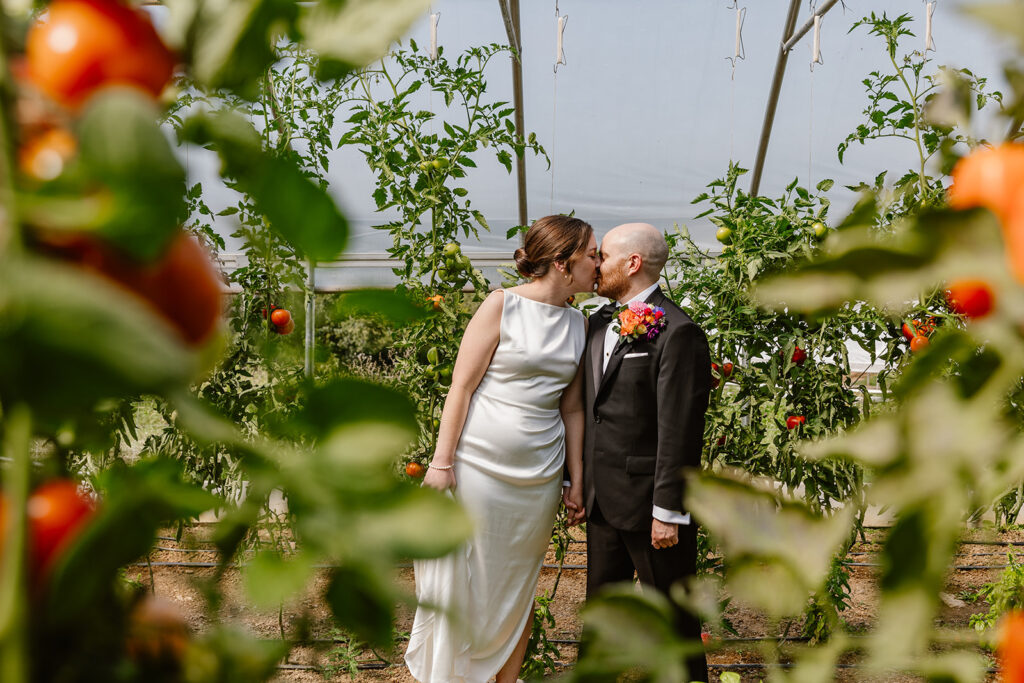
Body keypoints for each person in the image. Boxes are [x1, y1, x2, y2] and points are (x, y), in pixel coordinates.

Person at [405, 215, 599, 683]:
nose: (599, 263)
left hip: (540, 474)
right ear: (562, 262)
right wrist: (441, 463)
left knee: (518, 586)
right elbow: (462, 387)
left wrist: (575, 478)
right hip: (481, 467)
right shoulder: (500, 306)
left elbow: (572, 410)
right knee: (471, 579)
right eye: (592, 254)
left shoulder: (580, 323)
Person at [581, 222, 712, 682]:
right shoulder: (596, 323)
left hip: (653, 509)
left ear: (632, 263)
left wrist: (667, 510)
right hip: (602, 502)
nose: (596, 265)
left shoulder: (678, 331)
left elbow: (679, 429)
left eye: (604, 256)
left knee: (675, 624)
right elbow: (592, 412)